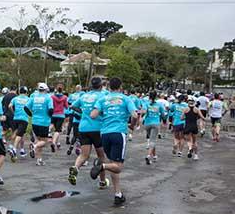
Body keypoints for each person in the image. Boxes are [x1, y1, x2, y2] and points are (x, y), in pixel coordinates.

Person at [89, 77, 138, 206]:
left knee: (113, 164)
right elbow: (135, 115)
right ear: (120, 86)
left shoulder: (103, 99)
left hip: (105, 133)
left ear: (109, 86)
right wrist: (132, 125)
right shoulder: (126, 99)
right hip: (119, 133)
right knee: (118, 167)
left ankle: (118, 194)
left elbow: (93, 115)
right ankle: (101, 166)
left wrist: (104, 115)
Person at [68, 77, 109, 189]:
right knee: (101, 156)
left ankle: (76, 168)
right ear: (101, 86)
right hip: (97, 128)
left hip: (83, 128)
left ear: (91, 85)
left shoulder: (84, 96)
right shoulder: (103, 96)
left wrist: (82, 113)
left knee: (84, 155)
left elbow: (72, 106)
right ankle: (102, 181)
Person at [25, 83, 54, 166]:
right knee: (44, 141)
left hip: (35, 122)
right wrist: (49, 116)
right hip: (44, 122)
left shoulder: (34, 97)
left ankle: (39, 160)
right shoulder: (48, 98)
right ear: (46, 90)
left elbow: (26, 107)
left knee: (39, 141)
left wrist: (31, 115)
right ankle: (33, 146)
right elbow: (51, 110)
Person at [142, 91, 166, 165]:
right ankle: (148, 156)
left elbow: (144, 112)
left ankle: (154, 156)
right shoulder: (159, 104)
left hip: (147, 123)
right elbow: (163, 114)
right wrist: (164, 120)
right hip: (155, 123)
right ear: (156, 96)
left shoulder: (146, 103)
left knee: (152, 139)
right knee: (153, 140)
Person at [8, 86, 30, 160]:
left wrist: (13, 112)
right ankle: (14, 148)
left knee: (18, 133)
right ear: (26, 92)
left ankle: (21, 149)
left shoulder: (15, 98)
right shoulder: (28, 99)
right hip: (24, 118)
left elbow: (10, 106)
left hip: (16, 118)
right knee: (19, 134)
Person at [50, 84, 68, 152]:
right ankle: (54, 142)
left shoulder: (52, 97)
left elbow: (51, 105)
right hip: (60, 115)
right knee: (57, 130)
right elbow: (66, 106)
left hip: (53, 114)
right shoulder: (65, 97)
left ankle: (57, 142)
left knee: (54, 128)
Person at [67, 85, 84, 156]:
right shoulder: (83, 96)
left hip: (74, 116)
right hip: (82, 119)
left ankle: (70, 147)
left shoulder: (72, 95)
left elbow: (69, 104)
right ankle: (78, 147)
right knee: (82, 136)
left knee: (74, 134)